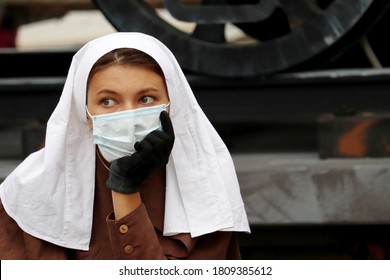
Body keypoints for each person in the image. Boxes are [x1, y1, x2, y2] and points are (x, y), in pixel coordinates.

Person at [0, 32, 250, 259]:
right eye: (108, 101)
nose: (129, 116)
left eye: (146, 99)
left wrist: (125, 189)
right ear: (85, 112)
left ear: (171, 105)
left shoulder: (207, 183)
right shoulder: (31, 191)